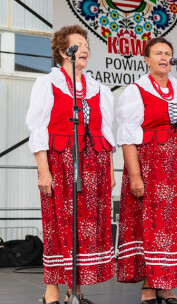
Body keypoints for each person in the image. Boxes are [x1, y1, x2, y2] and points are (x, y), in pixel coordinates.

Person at [26, 24, 115, 304]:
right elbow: (38, 129)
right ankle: (52, 292)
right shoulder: (48, 84)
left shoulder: (99, 89)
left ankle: (75, 292)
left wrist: (110, 172)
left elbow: (107, 134)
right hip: (61, 163)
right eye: (79, 43)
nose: (85, 47)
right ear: (64, 51)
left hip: (95, 165)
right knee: (58, 226)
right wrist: (43, 170)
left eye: (87, 43)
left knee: (86, 228)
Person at [115, 37, 177, 304]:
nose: (164, 57)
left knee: (175, 228)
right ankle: (148, 286)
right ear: (147, 60)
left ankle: (166, 286)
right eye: (158, 53)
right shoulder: (136, 90)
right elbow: (128, 137)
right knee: (153, 229)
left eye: (168, 53)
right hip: (151, 169)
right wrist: (134, 176)